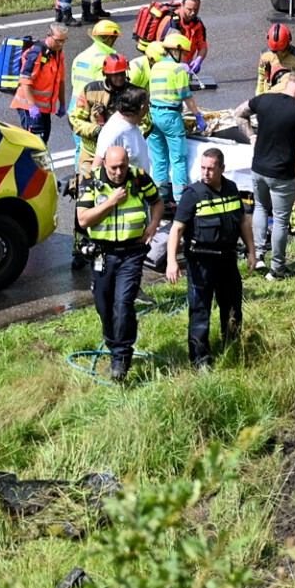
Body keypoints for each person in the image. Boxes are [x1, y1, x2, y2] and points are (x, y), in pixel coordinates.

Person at [74, 143, 164, 382]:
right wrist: (110, 202)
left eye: (123, 167)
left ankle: (121, 357)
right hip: (102, 254)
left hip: (132, 253)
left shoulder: (138, 178)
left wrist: (153, 225)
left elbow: (158, 203)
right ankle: (114, 347)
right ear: (104, 164)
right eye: (114, 168)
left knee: (123, 303)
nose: (118, 172)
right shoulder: (90, 181)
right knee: (104, 305)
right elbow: (83, 220)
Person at [164, 147, 258, 371]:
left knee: (232, 308)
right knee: (200, 312)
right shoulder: (192, 194)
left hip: (227, 260)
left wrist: (252, 251)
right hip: (200, 263)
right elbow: (176, 230)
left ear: (222, 169)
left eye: (211, 169)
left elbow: (243, 222)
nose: (205, 173)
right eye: (203, 168)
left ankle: (233, 347)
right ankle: (200, 360)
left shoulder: (231, 188)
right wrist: (171, 262)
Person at [232, 68, 295, 279]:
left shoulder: (264, 99)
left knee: (260, 207)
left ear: (287, 82)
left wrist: (251, 136)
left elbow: (238, 113)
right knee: (280, 219)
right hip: (282, 174)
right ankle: (277, 269)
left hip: (258, 169)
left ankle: (259, 256)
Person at [146, 32, 204, 202]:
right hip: (170, 117)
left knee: (159, 159)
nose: (184, 57)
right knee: (178, 158)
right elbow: (186, 96)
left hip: (153, 115)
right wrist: (198, 115)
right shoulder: (178, 69)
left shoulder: (155, 67)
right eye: (183, 53)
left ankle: (159, 199)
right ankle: (180, 200)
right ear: (175, 51)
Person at [70, 53, 138, 165]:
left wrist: (129, 136)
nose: (120, 78)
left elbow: (146, 123)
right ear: (106, 75)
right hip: (91, 154)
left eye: (122, 73)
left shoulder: (133, 93)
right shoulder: (90, 91)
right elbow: (75, 119)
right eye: (115, 75)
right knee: (86, 181)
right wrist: (95, 130)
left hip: (122, 156)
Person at [69, 19, 122, 154]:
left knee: (80, 148)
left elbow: (74, 82)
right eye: (115, 38)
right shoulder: (105, 59)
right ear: (109, 38)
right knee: (94, 150)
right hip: (91, 108)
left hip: (75, 106)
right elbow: (103, 90)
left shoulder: (81, 56)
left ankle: (79, 174)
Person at [9, 25, 68, 141]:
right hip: (29, 108)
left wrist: (62, 103)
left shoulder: (58, 54)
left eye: (64, 41)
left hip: (44, 109)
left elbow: (61, 80)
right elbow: (25, 80)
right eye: (58, 41)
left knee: (43, 143)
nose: (60, 44)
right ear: (49, 35)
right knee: (34, 145)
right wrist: (32, 106)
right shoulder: (36, 53)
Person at [256, 24, 295, 95]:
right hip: (270, 95)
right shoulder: (265, 55)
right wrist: (259, 98)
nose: (278, 53)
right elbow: (262, 77)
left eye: (280, 50)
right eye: (274, 51)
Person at [169, 0, 209, 79]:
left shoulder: (197, 23)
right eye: (189, 9)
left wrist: (199, 60)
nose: (193, 13)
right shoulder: (173, 22)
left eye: (196, 9)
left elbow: (203, 46)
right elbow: (165, 51)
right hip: (166, 65)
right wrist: (179, 65)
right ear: (182, 5)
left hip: (185, 65)